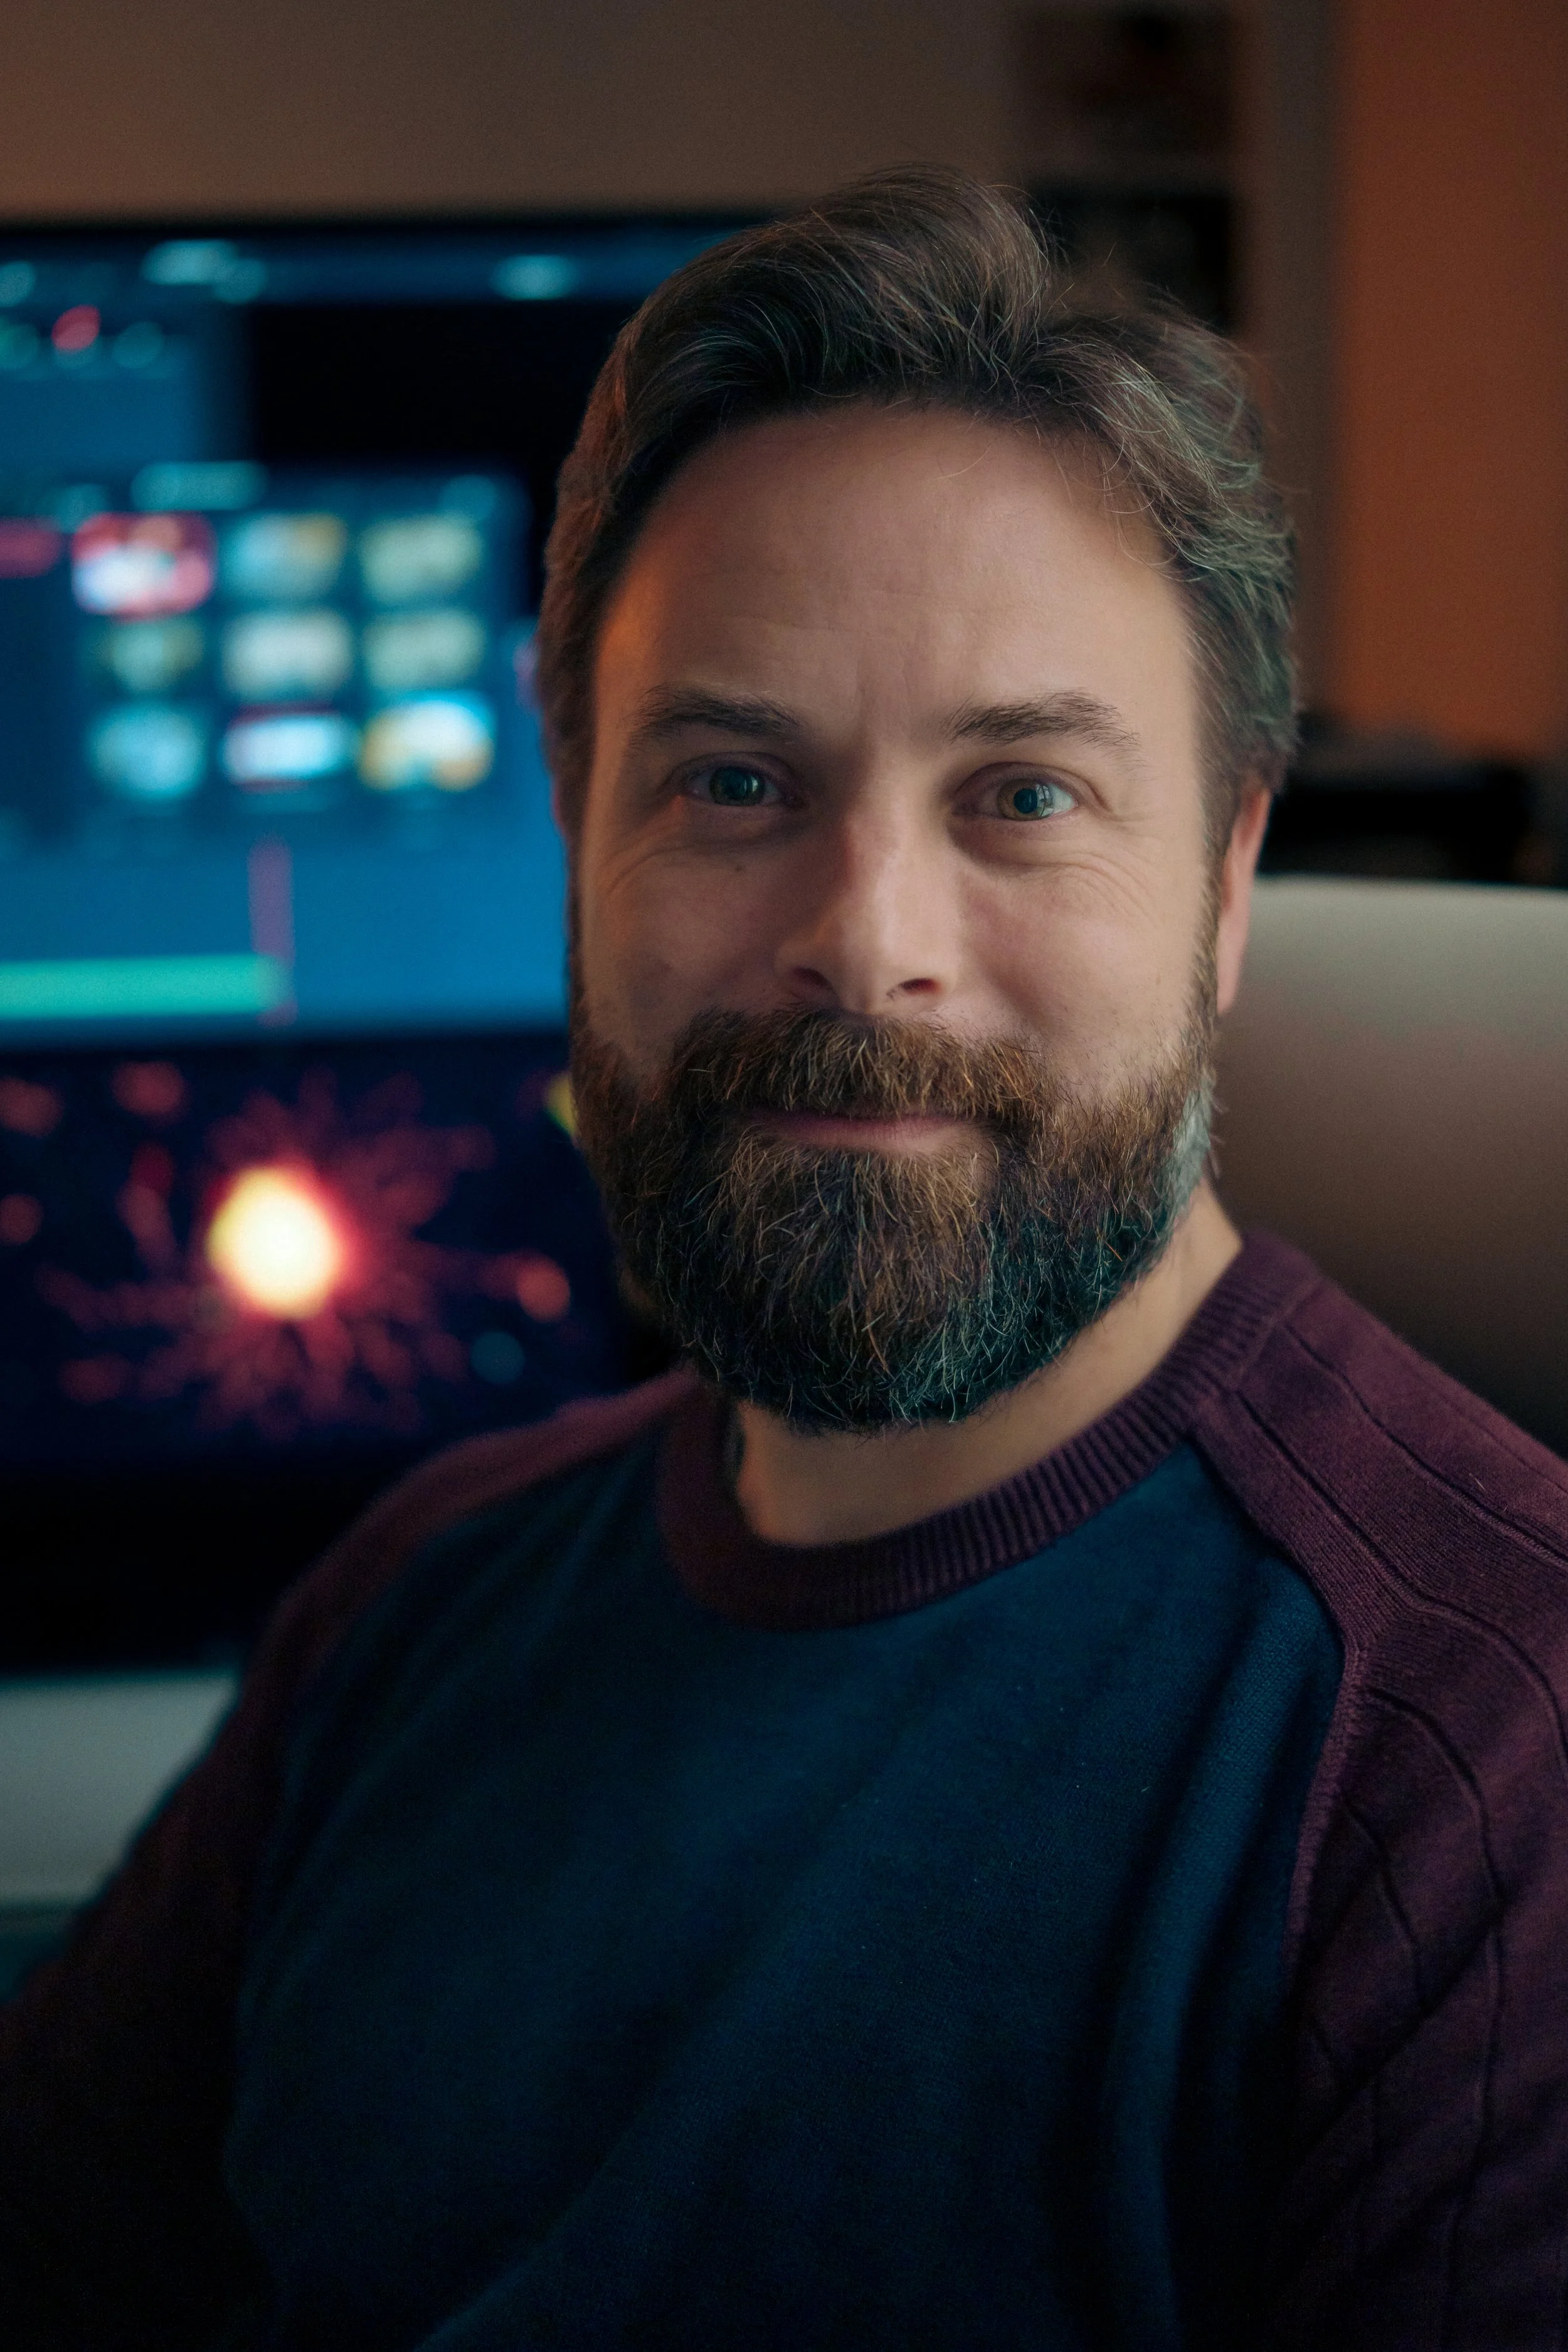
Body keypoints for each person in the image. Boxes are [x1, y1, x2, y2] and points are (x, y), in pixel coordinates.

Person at [4, 169, 1568, 2352]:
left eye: (1019, 796)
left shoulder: (1491, 1769)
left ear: (1224, 881)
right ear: (575, 836)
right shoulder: (415, 1603)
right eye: (734, 779)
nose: (865, 939)